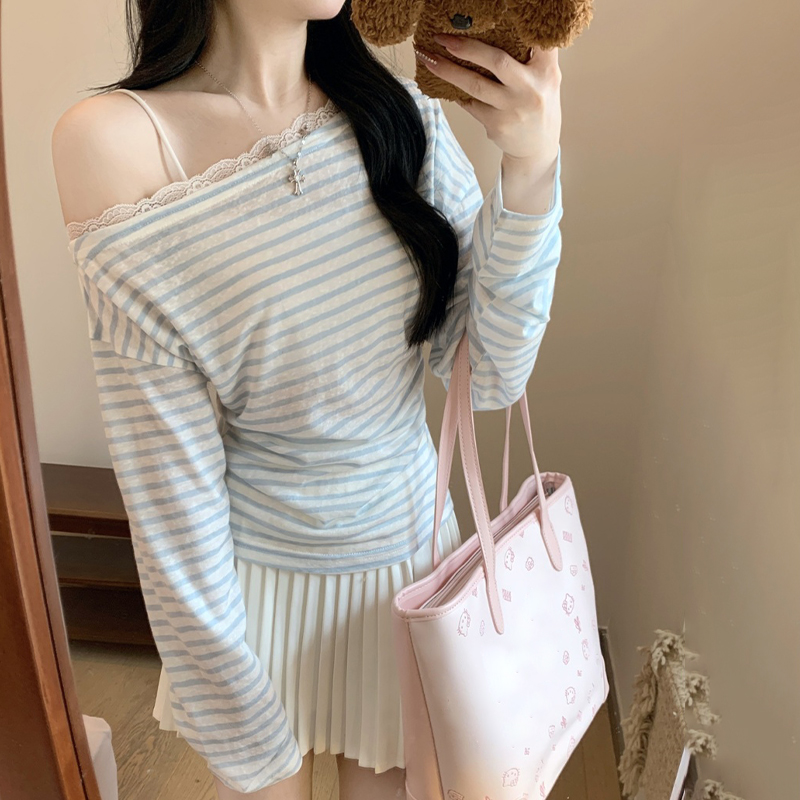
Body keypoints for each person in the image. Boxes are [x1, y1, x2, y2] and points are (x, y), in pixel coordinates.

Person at [51, 0, 563, 797]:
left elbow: (489, 373)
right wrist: (226, 691)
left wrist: (531, 166)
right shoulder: (115, 143)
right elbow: (167, 482)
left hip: (410, 566)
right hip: (249, 595)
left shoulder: (399, 114)